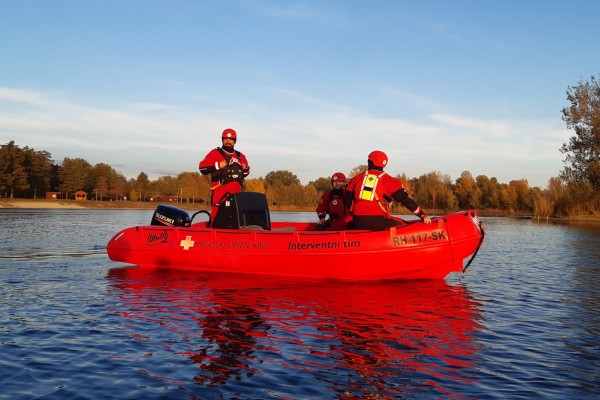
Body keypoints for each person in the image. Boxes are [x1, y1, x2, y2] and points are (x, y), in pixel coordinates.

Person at [345, 150, 432, 230]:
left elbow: (347, 202)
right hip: (377, 221)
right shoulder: (388, 180)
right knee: (402, 223)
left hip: (358, 221)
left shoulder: (356, 179)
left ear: (370, 162)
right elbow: (406, 201)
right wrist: (422, 215)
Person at [199, 128, 250, 224]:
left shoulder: (240, 156)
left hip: (236, 194)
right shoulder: (215, 153)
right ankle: (212, 235)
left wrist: (246, 168)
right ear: (222, 140)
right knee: (216, 216)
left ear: (234, 141)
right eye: (225, 139)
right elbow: (202, 168)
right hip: (219, 192)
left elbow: (245, 173)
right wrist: (217, 165)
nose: (228, 141)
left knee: (236, 218)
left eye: (231, 139)